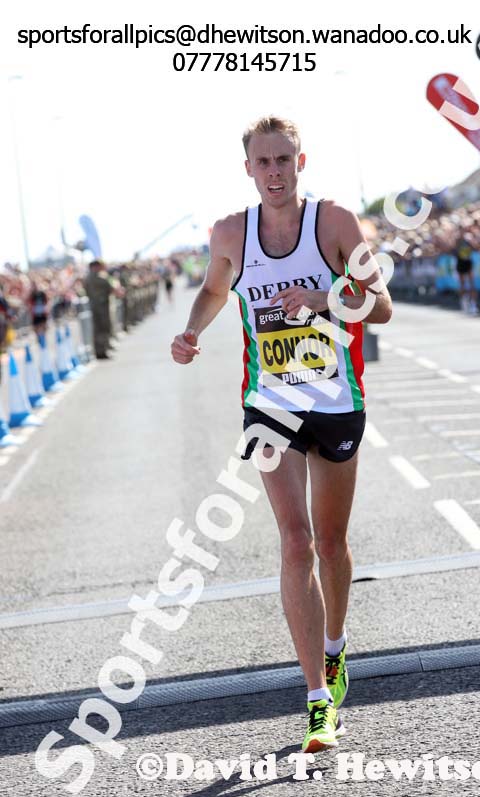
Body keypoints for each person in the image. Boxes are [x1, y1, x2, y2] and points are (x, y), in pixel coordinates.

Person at [171, 116, 392, 753]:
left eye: (284, 160)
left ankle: (335, 647)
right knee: (296, 541)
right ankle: (318, 701)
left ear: (301, 162)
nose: (275, 172)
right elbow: (214, 290)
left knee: (332, 541)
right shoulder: (229, 233)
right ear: (248, 169)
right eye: (263, 162)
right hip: (270, 405)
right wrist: (192, 331)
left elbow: (381, 306)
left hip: (336, 400)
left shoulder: (335, 223)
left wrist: (326, 298)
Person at [84, 259, 113, 359]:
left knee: (99, 329)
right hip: (100, 307)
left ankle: (101, 350)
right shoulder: (96, 277)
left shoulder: (89, 278)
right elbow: (108, 286)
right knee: (101, 329)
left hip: (97, 306)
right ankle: (101, 351)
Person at [454, 233, 478, 315]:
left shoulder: (469, 238)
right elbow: (455, 249)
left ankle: (473, 304)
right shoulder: (458, 240)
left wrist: (471, 242)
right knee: (462, 284)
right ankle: (463, 302)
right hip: (460, 263)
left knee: (472, 284)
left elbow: (475, 248)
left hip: (468, 263)